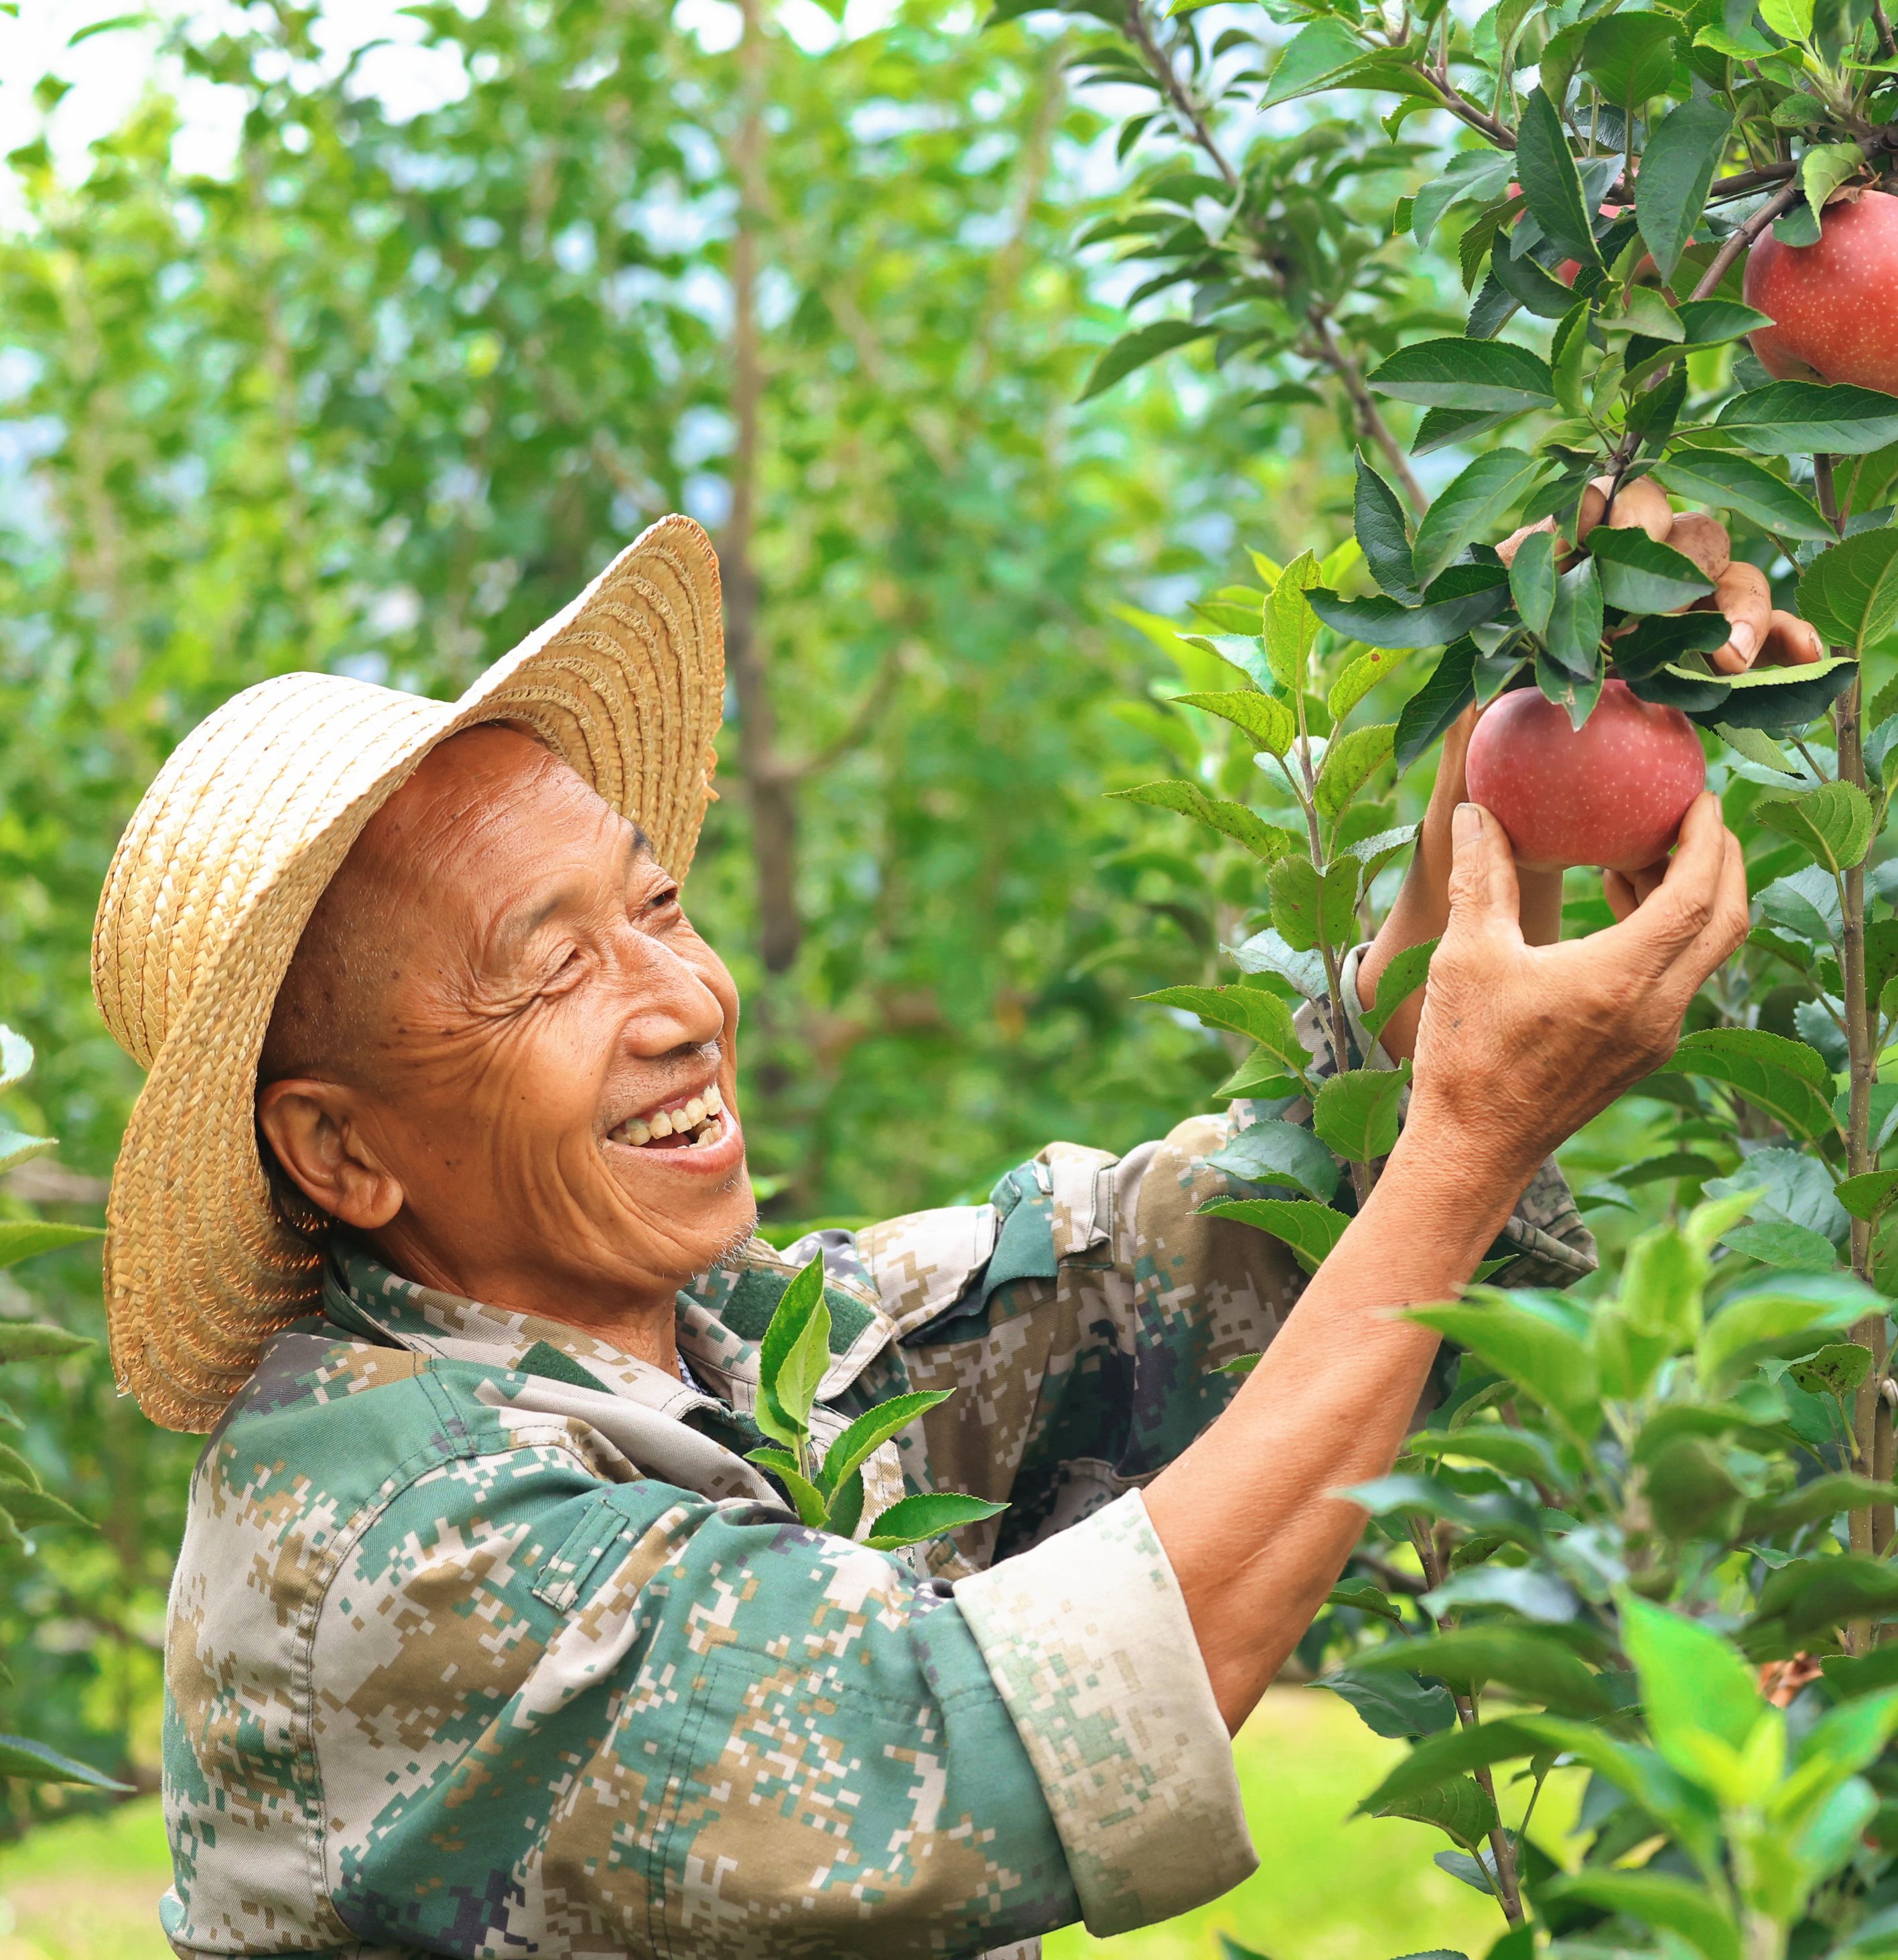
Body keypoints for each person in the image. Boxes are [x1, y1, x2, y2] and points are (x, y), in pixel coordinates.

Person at [91, 513, 1757, 1957]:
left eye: (658, 904)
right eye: (548, 966)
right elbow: (986, 1756)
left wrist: (1518, 782)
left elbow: (1233, 1250)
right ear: (340, 1146)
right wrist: (1470, 1143)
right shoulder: (398, 1539)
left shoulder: (740, 1340)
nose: (682, 1001)